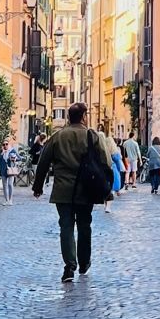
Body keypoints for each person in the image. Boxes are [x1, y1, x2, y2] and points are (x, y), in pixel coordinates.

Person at [31, 103, 107, 280]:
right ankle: (84, 262)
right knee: (84, 225)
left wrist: (38, 186)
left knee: (65, 227)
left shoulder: (58, 136)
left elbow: (43, 162)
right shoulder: (91, 135)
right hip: (86, 189)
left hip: (62, 190)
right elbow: (105, 162)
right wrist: (106, 189)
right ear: (83, 117)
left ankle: (69, 266)